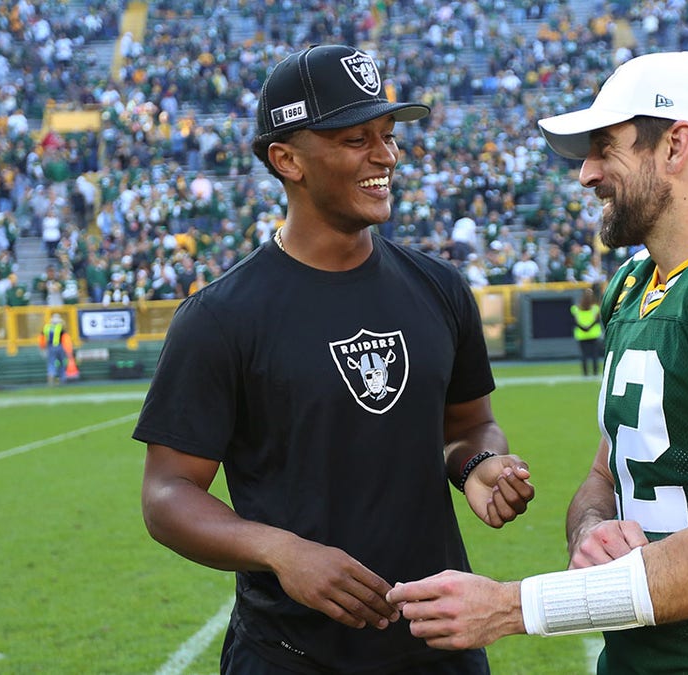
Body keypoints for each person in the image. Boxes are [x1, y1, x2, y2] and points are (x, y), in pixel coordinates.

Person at [388, 50, 688, 673]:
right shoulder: (634, 285)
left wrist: (513, 607)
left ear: (676, 145)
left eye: (605, 147)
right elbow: (604, 478)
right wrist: (591, 532)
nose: (586, 173)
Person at [134, 44, 535, 675]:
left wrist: (478, 465)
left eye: (388, 135)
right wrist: (281, 551)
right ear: (286, 159)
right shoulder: (220, 317)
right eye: (355, 139)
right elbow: (166, 493)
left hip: (440, 645)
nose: (385, 156)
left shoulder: (441, 289)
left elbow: (465, 427)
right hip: (289, 655)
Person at [570, 286, 602, 376]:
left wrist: (583, 328)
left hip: (581, 334)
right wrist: (589, 327)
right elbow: (597, 320)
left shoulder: (575, 308)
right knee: (594, 355)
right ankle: (595, 372)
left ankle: (585, 373)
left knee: (584, 355)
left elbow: (575, 321)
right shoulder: (596, 308)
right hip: (593, 334)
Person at [39, 313, 68, 386]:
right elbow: (65, 335)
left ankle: (51, 378)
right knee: (62, 362)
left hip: (50, 346)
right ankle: (62, 379)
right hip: (59, 346)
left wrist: (42, 348)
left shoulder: (46, 327)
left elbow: (42, 338)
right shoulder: (59, 327)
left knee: (51, 363)